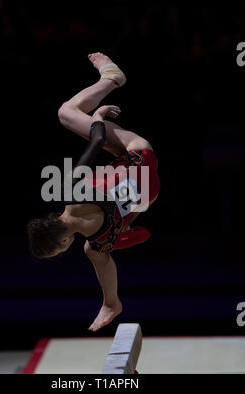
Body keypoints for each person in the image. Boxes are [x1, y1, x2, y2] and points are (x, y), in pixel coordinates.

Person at [28, 52, 160, 331]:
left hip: (149, 194)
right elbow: (97, 139)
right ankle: (111, 79)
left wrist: (126, 237)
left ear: (64, 242)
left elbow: (135, 232)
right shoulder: (72, 193)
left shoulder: (97, 245)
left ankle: (112, 302)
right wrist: (98, 116)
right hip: (139, 153)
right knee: (66, 113)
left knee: (99, 247)